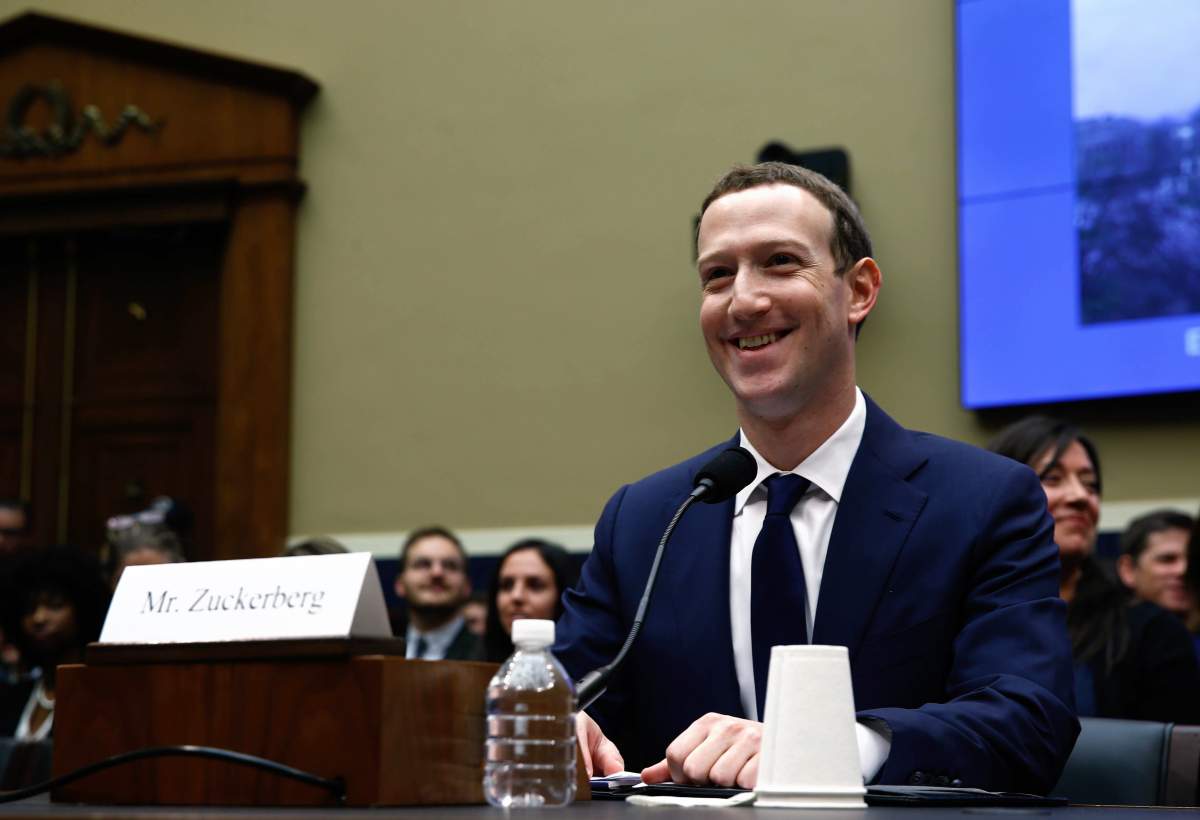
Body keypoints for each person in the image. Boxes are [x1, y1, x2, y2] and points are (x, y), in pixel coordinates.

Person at [554, 162, 1077, 794]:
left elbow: (1026, 722)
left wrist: (824, 745)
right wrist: (558, 725)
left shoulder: (984, 500)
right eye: (718, 275)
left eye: (779, 262)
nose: (743, 301)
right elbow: (572, 697)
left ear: (859, 290)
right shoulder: (645, 519)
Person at [988, 416, 1200, 725]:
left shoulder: (1150, 631)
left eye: (1090, 485)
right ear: (999, 494)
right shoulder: (950, 616)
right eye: (1052, 478)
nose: (1080, 497)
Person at [0, 545, 111, 738]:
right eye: (29, 609)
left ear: (83, 609)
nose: (39, 618)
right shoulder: (12, 697)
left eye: (54, 606)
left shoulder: (101, 699)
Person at [482, 538, 579, 662]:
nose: (516, 596)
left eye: (535, 585)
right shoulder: (471, 660)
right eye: (506, 585)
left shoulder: (590, 672)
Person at [393, 526, 480, 660]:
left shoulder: (492, 657)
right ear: (400, 584)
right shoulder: (374, 653)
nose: (437, 573)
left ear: (467, 586)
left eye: (450, 565)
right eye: (423, 564)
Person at [1117, 509, 1195, 619]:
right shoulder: (1102, 632)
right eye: (1167, 559)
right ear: (1128, 570)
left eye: (1193, 560)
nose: (1183, 570)